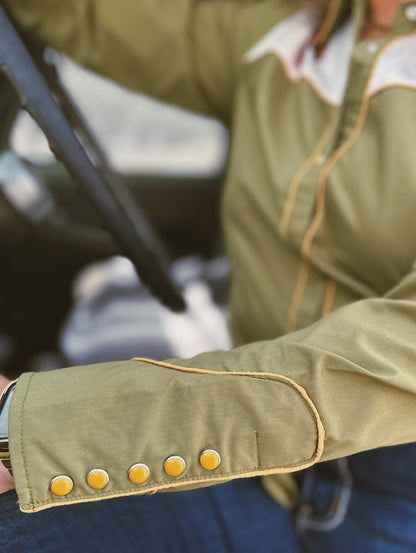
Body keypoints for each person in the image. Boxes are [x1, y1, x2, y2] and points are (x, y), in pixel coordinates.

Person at [2, 0, 416, 550]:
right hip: (263, 472)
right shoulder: (289, 31)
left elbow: (400, 356)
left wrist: (29, 426)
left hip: (396, 495)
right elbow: (78, 14)